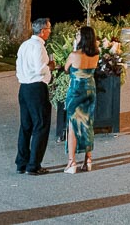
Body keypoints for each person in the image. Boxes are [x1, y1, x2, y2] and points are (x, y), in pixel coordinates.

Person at [14, 17, 54, 175]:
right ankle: (34, 165)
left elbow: (18, 66)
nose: (50, 31)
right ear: (42, 31)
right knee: (40, 125)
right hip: (36, 88)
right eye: (49, 29)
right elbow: (40, 69)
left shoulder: (24, 45)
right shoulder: (38, 47)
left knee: (26, 126)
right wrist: (50, 66)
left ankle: (21, 163)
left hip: (24, 87)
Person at [63, 25, 100, 174]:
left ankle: (71, 162)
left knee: (73, 124)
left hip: (76, 90)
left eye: (78, 35)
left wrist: (74, 48)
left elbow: (66, 69)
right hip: (90, 89)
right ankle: (88, 160)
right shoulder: (96, 54)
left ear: (83, 38)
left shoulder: (74, 55)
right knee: (87, 122)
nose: (76, 37)